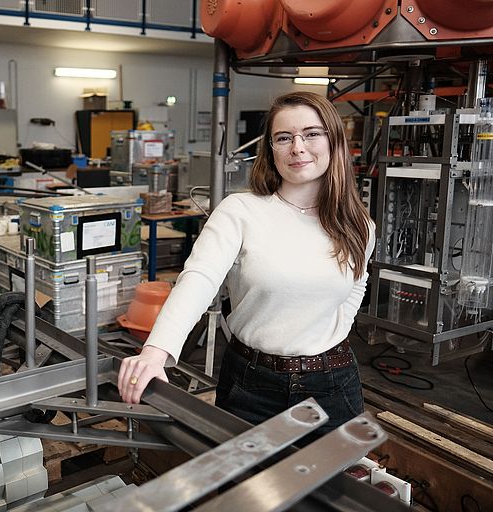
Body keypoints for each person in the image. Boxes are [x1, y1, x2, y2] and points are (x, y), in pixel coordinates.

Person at [118, 91, 374, 438]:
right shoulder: (240, 211)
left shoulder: (358, 224)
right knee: (246, 473)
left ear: (334, 142)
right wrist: (155, 352)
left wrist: (333, 331)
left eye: (312, 134)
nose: (298, 147)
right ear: (271, 149)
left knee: (332, 474)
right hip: (251, 382)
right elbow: (199, 279)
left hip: (333, 382)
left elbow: (357, 283)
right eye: (284, 138)